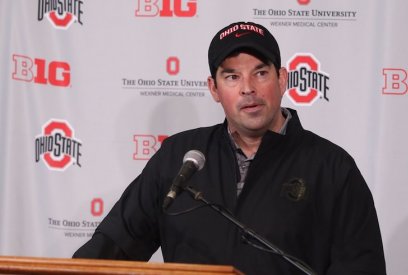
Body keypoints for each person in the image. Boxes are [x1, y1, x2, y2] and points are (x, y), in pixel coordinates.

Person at [73, 21, 386, 275]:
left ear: (282, 79)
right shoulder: (179, 157)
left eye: (260, 73)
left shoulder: (331, 167)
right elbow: (115, 245)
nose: (247, 88)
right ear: (214, 89)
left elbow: (362, 266)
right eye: (232, 76)